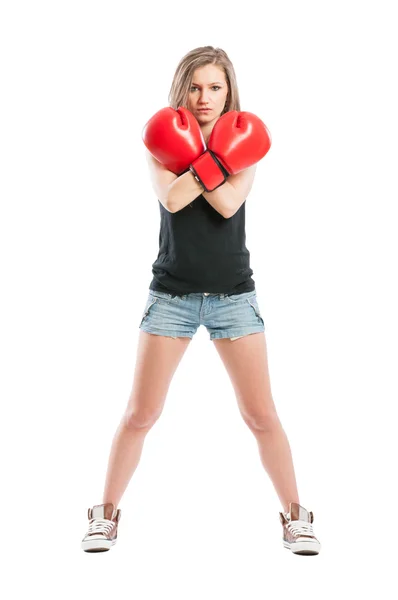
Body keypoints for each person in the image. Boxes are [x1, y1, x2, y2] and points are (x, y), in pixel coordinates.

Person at [81, 46, 321, 556]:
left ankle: (296, 517)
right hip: (171, 293)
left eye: (215, 87)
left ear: (229, 91)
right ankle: (104, 516)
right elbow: (171, 199)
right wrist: (205, 165)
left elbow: (229, 201)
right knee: (141, 414)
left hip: (235, 293)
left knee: (261, 415)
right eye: (195, 86)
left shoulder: (247, 143)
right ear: (181, 89)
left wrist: (197, 166)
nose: (204, 97)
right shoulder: (158, 143)